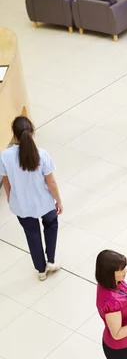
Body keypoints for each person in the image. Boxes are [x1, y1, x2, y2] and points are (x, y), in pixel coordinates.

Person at [0, 116, 62, 280]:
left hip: (21, 205)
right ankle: (51, 260)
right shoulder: (41, 154)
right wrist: (59, 201)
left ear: (14, 135)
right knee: (51, 225)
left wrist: (10, 198)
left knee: (32, 235)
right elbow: (51, 182)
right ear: (32, 132)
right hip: (45, 203)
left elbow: (6, 182)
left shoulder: (5, 156)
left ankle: (41, 270)